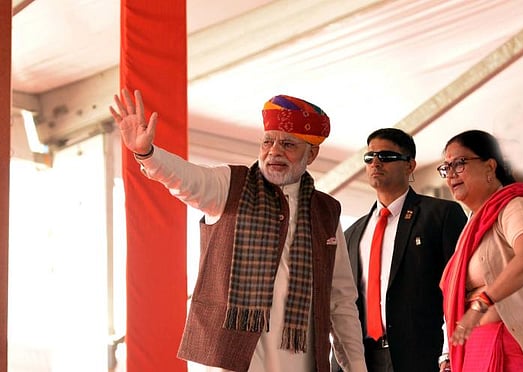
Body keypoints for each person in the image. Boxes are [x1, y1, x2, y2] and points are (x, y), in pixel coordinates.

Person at [109, 89, 366, 372]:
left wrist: (356, 367)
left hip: (302, 359)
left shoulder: (326, 211)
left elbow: (340, 300)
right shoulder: (230, 185)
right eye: (268, 141)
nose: (274, 151)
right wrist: (147, 153)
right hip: (232, 360)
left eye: (288, 144)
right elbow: (186, 178)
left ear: (312, 154)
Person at [336, 128, 466, 372]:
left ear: (410, 165)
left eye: (385, 156)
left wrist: (450, 351)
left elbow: (460, 288)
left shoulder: (440, 215)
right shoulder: (351, 233)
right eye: (369, 157)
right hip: (360, 360)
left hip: (422, 357)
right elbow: (342, 300)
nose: (375, 163)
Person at [438, 130, 523, 371]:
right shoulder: (470, 228)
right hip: (477, 347)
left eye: (460, 163)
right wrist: (449, 354)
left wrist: (481, 303)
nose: (451, 173)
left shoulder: (516, 205)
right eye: (446, 167)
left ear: (490, 167)